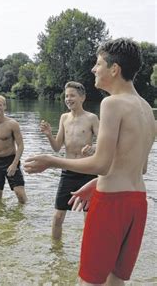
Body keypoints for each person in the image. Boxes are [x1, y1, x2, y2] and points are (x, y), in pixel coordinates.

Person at [24, 38, 155, 285]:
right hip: (137, 203)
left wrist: (51, 161)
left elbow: (101, 165)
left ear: (114, 69)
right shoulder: (146, 108)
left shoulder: (112, 103)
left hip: (112, 204)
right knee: (115, 281)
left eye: (98, 64)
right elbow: (140, 166)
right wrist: (96, 184)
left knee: (89, 281)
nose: (94, 69)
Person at [39, 81, 99, 240]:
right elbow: (57, 147)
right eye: (66, 96)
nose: (68, 99)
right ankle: (57, 254)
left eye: (72, 95)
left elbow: (104, 144)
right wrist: (48, 135)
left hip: (88, 171)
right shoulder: (64, 118)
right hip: (68, 173)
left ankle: (87, 252)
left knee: (89, 218)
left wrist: (94, 149)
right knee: (58, 217)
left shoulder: (92, 118)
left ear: (82, 97)